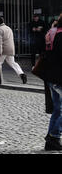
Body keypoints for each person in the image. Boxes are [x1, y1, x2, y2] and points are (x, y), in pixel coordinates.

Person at [42, 15, 62, 151]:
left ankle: (51, 140)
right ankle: (54, 136)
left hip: (51, 76)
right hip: (60, 77)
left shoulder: (52, 33)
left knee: (58, 109)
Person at [0, 17, 27, 84]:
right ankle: (21, 74)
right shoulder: (8, 28)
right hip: (11, 48)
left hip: (3, 49)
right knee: (13, 63)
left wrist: (0, 51)